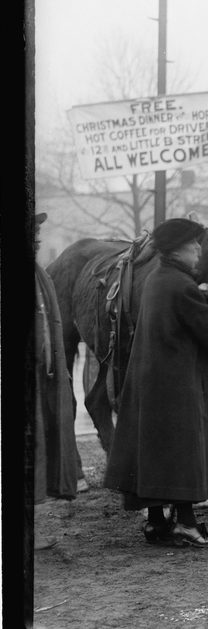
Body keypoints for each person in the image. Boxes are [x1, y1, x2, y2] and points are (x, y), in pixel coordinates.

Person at [103, 218, 208, 548]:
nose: (198, 249)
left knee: (156, 452)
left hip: (152, 381)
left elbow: (191, 318)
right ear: (175, 250)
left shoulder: (157, 279)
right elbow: (207, 327)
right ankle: (186, 525)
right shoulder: (181, 285)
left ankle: (155, 523)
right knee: (182, 451)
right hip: (176, 383)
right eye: (192, 244)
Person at [32, 214, 79, 548]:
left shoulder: (38, 276)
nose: (37, 236)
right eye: (31, 230)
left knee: (35, 451)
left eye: (37, 231)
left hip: (39, 381)